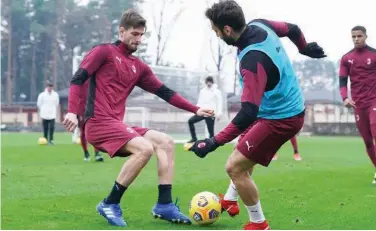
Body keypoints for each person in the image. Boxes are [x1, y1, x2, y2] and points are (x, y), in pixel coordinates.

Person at [63, 9, 213, 227]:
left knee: (166, 142)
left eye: (142, 35)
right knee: (145, 148)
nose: (139, 39)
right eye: (135, 34)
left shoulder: (138, 66)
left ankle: (164, 204)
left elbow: (165, 92)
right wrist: (71, 111)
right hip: (97, 124)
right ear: (121, 31)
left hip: (116, 124)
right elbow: (78, 79)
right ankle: (110, 203)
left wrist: (195, 109)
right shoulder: (103, 52)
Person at [188, 1, 326, 229]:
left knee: (234, 167)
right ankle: (230, 200)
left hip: (282, 118)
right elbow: (292, 28)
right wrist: (303, 47)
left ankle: (259, 224)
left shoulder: (252, 61)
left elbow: (247, 113)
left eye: (216, 31)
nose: (217, 35)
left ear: (227, 30)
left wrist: (213, 142)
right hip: (278, 109)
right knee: (242, 153)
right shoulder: (260, 25)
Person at [339, 26, 376, 185]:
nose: (356, 39)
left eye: (359, 36)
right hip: (358, 104)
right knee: (367, 141)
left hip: (374, 100)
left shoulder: (374, 55)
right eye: (353, 36)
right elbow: (342, 81)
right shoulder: (346, 58)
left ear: (366, 36)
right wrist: (345, 98)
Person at [187, 76, 222, 143]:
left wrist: (219, 113)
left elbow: (219, 103)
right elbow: (200, 101)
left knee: (210, 132)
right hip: (202, 112)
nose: (209, 83)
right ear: (206, 82)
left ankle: (212, 144)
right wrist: (196, 110)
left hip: (210, 113)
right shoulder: (202, 91)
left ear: (212, 82)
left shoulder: (216, 91)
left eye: (210, 82)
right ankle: (194, 138)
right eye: (207, 82)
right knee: (190, 121)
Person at [37, 81, 60, 145]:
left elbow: (57, 103)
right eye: (49, 87)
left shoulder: (55, 95)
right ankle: (45, 139)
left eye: (51, 87)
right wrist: (43, 110)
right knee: (45, 128)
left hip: (52, 114)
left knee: (52, 127)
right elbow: (39, 104)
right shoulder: (42, 95)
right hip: (44, 114)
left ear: (52, 88)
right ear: (47, 87)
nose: (50, 88)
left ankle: (51, 140)